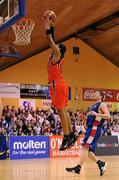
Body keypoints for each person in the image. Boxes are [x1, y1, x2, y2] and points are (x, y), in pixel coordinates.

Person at [43, 10, 78, 151]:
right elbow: (54, 39)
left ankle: (67, 135)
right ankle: (71, 135)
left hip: (57, 85)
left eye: (58, 46)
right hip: (58, 84)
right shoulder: (58, 55)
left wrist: (46, 24)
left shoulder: (56, 54)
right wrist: (52, 25)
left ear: (59, 49)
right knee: (63, 111)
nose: (55, 46)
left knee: (60, 111)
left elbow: (50, 40)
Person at [66, 90, 110, 176]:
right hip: (90, 129)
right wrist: (84, 118)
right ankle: (101, 163)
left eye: (96, 93)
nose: (94, 94)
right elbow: (92, 118)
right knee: (88, 151)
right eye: (94, 93)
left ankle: (78, 168)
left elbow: (108, 116)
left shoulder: (102, 104)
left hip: (95, 129)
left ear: (101, 96)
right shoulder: (91, 106)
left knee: (85, 148)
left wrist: (97, 113)